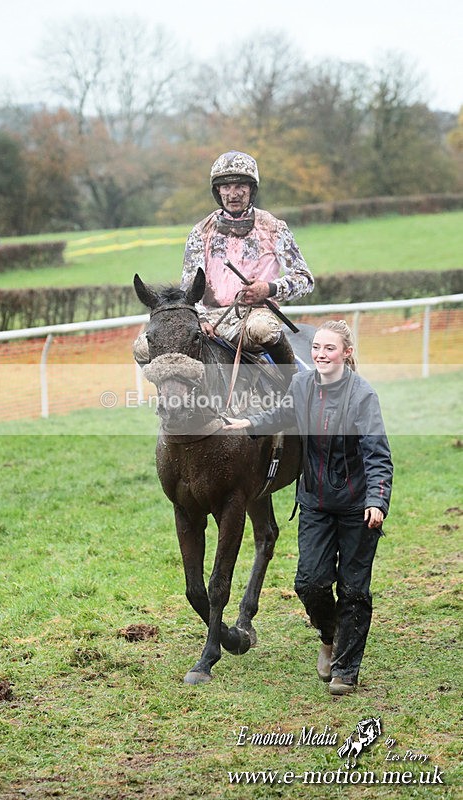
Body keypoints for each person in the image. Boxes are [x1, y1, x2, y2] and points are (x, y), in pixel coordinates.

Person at [226, 320, 393, 695]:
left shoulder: (362, 396)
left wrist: (377, 500)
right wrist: (249, 422)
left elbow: (378, 454)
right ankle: (329, 635)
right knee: (310, 583)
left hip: (357, 507)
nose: (320, 354)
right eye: (316, 347)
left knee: (353, 590)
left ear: (346, 353)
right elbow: (282, 415)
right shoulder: (302, 385)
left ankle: (345, 672)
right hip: (315, 502)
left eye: (329, 348)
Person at [133, 150, 314, 365]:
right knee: (142, 349)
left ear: (251, 189)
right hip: (208, 319)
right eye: (226, 187)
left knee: (264, 330)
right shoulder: (200, 232)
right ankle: (171, 398)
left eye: (240, 186)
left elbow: (305, 279)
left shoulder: (274, 227)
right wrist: (198, 318)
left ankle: (292, 385)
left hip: (254, 316)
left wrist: (268, 289)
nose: (233, 194)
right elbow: (190, 289)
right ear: (217, 191)